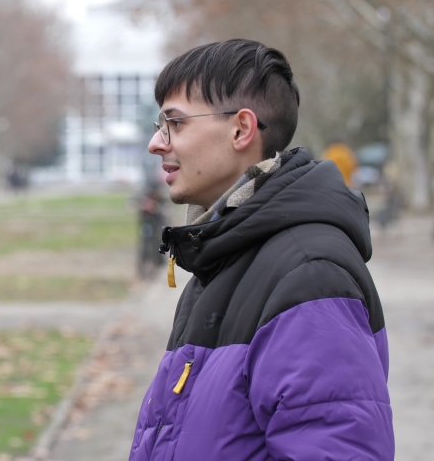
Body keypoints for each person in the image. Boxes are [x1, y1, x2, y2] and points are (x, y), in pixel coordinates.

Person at [129, 39, 393, 460]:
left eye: (174, 124)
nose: (156, 143)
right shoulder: (227, 251)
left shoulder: (308, 274)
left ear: (241, 129)